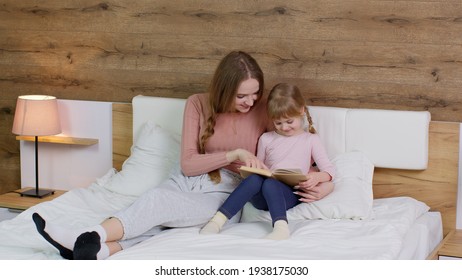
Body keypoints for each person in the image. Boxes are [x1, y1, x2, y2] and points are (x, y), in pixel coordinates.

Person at [32, 51, 332, 260]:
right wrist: (235, 152)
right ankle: (102, 250)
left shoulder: (267, 110)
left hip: (227, 191)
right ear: (224, 89)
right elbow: (189, 164)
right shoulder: (198, 104)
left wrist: (325, 185)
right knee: (154, 213)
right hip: (186, 179)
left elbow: (304, 150)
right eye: (242, 96)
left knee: (156, 204)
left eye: (255, 94)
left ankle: (86, 235)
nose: (251, 102)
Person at [200, 83, 335, 240]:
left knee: (271, 184)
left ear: (301, 111)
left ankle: (280, 228)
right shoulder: (266, 139)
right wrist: (251, 169)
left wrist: (317, 178)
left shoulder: (311, 140)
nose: (284, 127)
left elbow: (330, 170)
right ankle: (217, 221)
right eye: (278, 123)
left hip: (289, 194)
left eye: (289, 121)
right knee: (255, 179)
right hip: (262, 197)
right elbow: (260, 167)